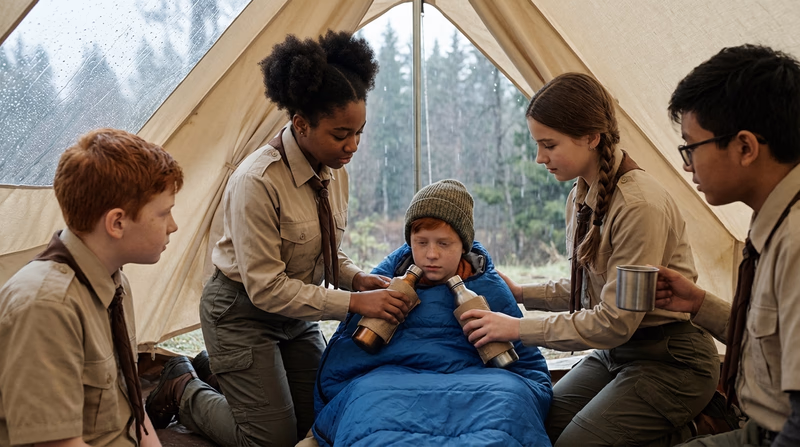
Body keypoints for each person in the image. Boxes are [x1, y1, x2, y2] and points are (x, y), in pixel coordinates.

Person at [144, 31, 411, 447]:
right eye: (341, 134)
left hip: (295, 314)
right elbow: (266, 289)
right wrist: (355, 303)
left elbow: (323, 250)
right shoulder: (257, 181)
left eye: (359, 132)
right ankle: (183, 386)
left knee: (319, 419)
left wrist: (357, 279)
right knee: (270, 439)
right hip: (241, 312)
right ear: (301, 124)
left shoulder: (334, 169)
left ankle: (218, 370)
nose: (353, 146)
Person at [460, 72, 720, 446]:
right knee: (539, 429)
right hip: (615, 354)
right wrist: (520, 293)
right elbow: (591, 288)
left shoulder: (638, 205)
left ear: (591, 137)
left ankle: (689, 429)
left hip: (669, 359)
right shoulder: (581, 197)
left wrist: (516, 328)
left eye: (549, 144)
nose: (539, 158)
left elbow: (616, 321)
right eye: (537, 144)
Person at [310, 179, 553, 446]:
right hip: (389, 384)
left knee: (509, 398)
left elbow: (524, 366)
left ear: (464, 245)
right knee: (367, 401)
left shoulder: (488, 286)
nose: (431, 254)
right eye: (421, 242)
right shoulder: (383, 283)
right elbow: (346, 362)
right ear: (409, 241)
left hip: (482, 386)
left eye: (444, 244)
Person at [655, 44, 800, 447]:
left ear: (745, 147)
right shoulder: (772, 220)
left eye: (691, 147)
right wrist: (700, 304)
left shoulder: (795, 240)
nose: (687, 165)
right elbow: (773, 340)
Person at [0, 128, 183, 447]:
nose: (173, 225)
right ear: (117, 223)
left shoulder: (115, 283)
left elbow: (132, 410)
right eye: (163, 212)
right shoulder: (46, 307)